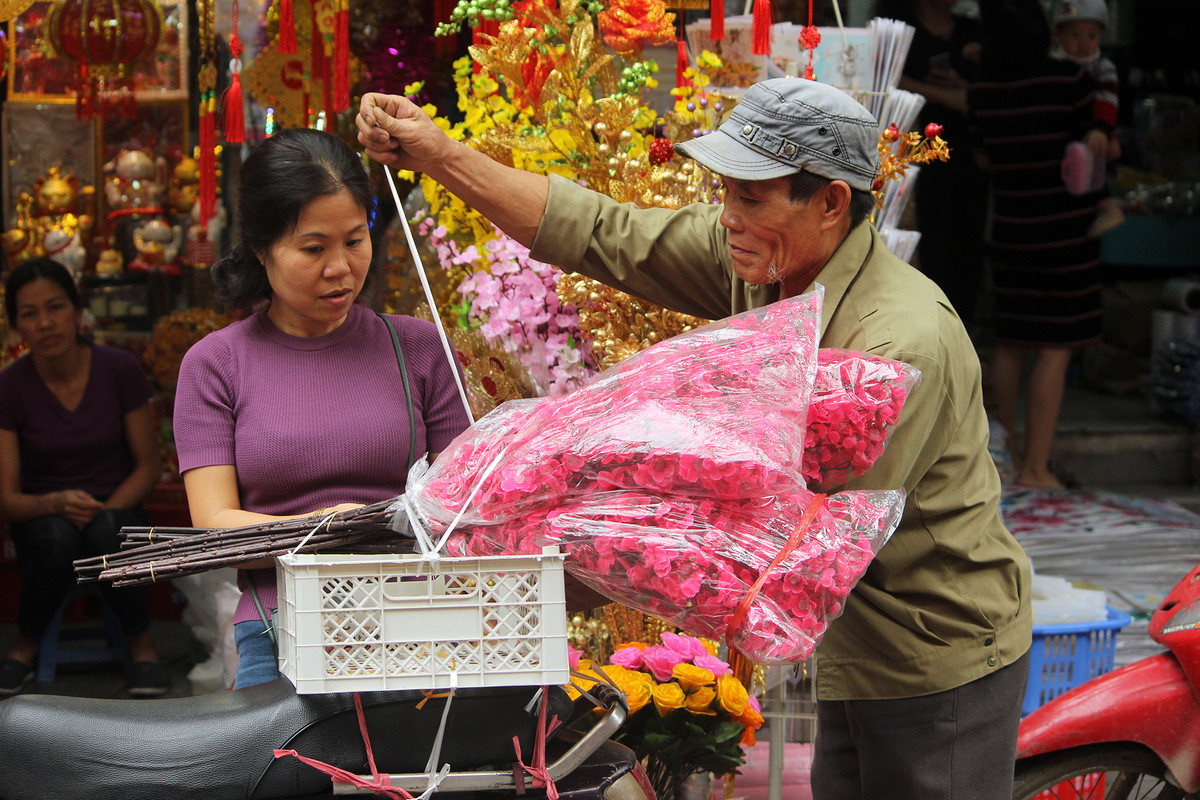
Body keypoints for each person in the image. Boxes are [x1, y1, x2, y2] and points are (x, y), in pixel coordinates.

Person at [357, 76, 1032, 799]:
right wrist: (440, 156)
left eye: (750, 196)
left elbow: (779, 535)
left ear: (831, 202)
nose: (727, 216)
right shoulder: (767, 259)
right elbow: (598, 232)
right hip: (851, 650)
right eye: (724, 192)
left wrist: (555, 548)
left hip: (935, 653)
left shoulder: (900, 340)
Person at [172, 128, 472, 689]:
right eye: (314, 249)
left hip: (418, 622)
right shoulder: (215, 365)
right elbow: (214, 524)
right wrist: (317, 531)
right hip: (281, 631)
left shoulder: (418, 348)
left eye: (355, 241)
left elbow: (466, 502)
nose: (340, 267)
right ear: (263, 250)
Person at [0, 257, 168, 697]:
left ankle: (143, 645)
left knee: (108, 532)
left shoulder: (119, 370)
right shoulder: (10, 387)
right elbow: (7, 498)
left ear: (77, 311)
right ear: (16, 326)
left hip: (115, 507)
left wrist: (102, 514)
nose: (45, 323)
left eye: (55, 307)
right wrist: (54, 504)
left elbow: (149, 465)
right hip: (42, 518)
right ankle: (24, 646)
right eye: (29, 313)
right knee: (57, 537)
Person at [969, 0, 1107, 489]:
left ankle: (1005, 461)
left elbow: (984, 160)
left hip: (1010, 228)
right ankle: (1037, 467)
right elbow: (1099, 146)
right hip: (1067, 231)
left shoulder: (983, 90)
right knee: (1056, 345)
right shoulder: (1070, 81)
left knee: (1012, 342)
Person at [875, 0, 989, 327]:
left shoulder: (972, 30)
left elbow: (989, 84)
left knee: (966, 248)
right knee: (928, 245)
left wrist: (965, 89)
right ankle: (931, 328)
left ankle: (960, 331)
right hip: (915, 157)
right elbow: (888, 82)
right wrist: (942, 96)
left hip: (968, 156)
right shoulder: (898, 26)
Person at [1049, 0, 1125, 237]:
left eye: (1091, 36)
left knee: (1093, 163)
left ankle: (1107, 207)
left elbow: (1108, 99)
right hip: (1069, 130)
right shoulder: (1054, 64)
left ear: (1101, 35)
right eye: (1075, 35)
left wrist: (1101, 129)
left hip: (1094, 128)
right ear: (1057, 34)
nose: (1084, 43)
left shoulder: (1102, 67)